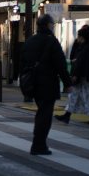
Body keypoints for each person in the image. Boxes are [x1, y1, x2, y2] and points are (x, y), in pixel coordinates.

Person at [20, 14, 73, 155]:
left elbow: (22, 63)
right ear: (49, 25)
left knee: (41, 113)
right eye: (52, 24)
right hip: (48, 84)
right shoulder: (52, 42)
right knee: (45, 115)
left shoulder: (29, 41)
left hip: (33, 84)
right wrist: (68, 84)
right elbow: (60, 65)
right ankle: (38, 145)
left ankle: (38, 144)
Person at [55, 26, 89, 125]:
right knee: (76, 95)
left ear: (82, 37)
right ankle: (67, 115)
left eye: (79, 37)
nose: (78, 39)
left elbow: (81, 62)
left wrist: (75, 74)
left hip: (85, 77)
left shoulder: (85, 48)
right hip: (87, 76)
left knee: (88, 96)